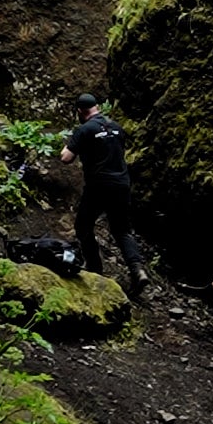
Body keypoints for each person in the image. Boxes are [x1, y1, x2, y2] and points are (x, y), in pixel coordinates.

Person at [54, 94, 151, 286]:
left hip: (99, 185)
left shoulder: (84, 129)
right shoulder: (116, 127)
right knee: (122, 230)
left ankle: (95, 267)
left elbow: (66, 158)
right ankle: (138, 270)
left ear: (80, 111)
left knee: (83, 226)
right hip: (122, 184)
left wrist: (68, 145)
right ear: (97, 107)